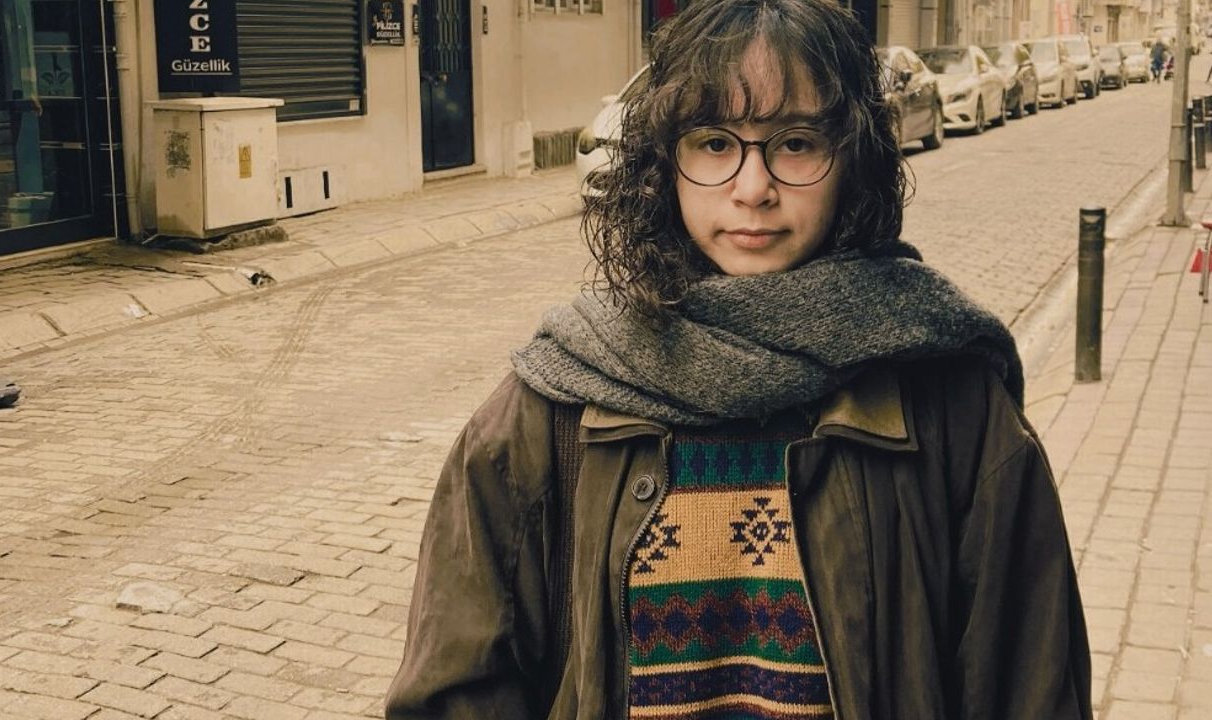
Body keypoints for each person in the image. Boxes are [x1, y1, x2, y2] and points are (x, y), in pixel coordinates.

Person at [386, 0, 1092, 718]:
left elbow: (1028, 689)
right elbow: (456, 692)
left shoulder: (955, 405)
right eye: (715, 143)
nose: (753, 189)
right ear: (664, 161)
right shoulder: (547, 411)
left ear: (852, 159)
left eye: (796, 143)